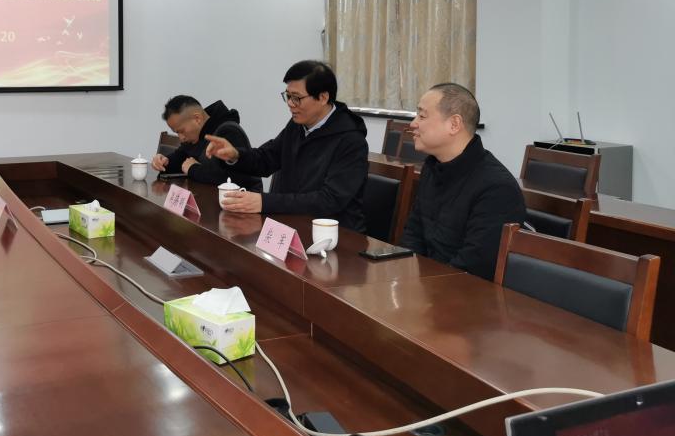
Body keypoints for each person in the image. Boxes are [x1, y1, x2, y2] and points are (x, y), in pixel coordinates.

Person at [204, 60, 368, 231]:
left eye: (296, 98)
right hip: (293, 223)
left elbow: (329, 199)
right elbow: (267, 158)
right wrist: (235, 155)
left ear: (323, 97)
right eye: (288, 96)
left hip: (336, 234)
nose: (290, 103)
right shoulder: (297, 125)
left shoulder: (351, 140)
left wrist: (264, 202)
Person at [400, 83, 526, 280]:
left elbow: (474, 267)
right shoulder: (432, 167)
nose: (413, 123)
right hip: (426, 284)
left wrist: (424, 287)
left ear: (454, 124)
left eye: (422, 116)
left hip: (462, 291)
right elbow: (413, 233)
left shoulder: (496, 188)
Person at [150, 96, 262, 191]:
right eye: (176, 133)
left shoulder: (229, 132)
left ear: (197, 118)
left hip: (243, 204)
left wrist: (194, 169)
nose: (181, 138)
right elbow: (181, 158)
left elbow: (236, 179)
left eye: (181, 131)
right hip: (207, 200)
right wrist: (165, 162)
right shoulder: (196, 136)